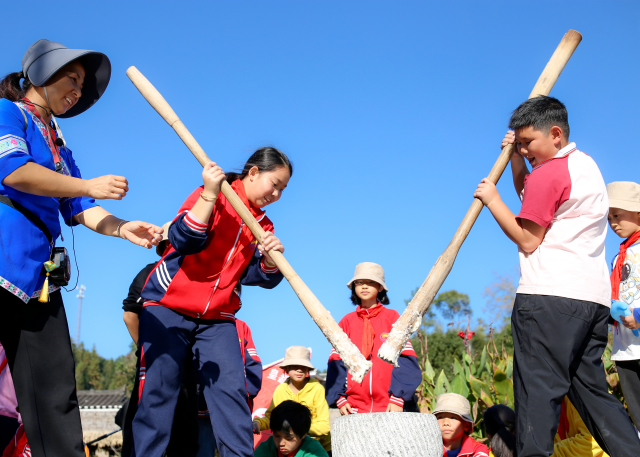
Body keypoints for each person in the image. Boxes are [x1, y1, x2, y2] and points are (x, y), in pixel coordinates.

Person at [0, 39, 162, 457]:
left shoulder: (57, 143)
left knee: (55, 389)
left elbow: (80, 207)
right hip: (1, 261)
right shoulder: (7, 112)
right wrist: (87, 185)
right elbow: (14, 171)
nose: (77, 91)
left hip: (38, 281)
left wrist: (123, 227)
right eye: (70, 79)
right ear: (38, 73)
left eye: (81, 86)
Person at [473, 95, 640, 456]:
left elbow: (528, 237)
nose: (524, 148)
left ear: (555, 134)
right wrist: (519, 161)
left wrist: (491, 199)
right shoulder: (585, 166)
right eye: (519, 143)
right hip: (589, 303)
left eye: (528, 142)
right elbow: (535, 198)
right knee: (593, 396)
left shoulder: (549, 173)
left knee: (537, 396)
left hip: (549, 299)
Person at [132, 147, 292, 457]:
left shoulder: (263, 225)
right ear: (254, 173)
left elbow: (255, 276)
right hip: (169, 305)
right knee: (159, 388)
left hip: (217, 316)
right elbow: (184, 239)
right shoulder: (215, 194)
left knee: (231, 391)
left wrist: (272, 261)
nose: (276, 193)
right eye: (275, 183)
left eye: (282, 190)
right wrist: (208, 194)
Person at [120, 221, 199, 457]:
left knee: (185, 429)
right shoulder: (149, 273)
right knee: (146, 420)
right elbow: (130, 315)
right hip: (153, 362)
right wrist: (145, 347)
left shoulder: (195, 277)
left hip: (188, 366)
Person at [325, 262, 422, 415]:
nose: (364, 287)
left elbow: (406, 358)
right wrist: (339, 398)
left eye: (371, 282)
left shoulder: (392, 318)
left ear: (380, 287)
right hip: (354, 408)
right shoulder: (347, 321)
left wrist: (398, 397)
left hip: (390, 407)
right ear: (354, 287)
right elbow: (336, 361)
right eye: (360, 283)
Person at [197, 286, 263, 457]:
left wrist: (244, 393)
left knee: (237, 451)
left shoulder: (241, 327)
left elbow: (253, 364)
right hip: (201, 411)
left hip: (234, 408)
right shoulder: (196, 323)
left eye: (235, 290)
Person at [253, 346, 331, 454]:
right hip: (290, 449)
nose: (299, 369)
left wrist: (297, 430)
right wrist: (258, 423)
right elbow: (271, 418)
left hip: (317, 449)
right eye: (295, 366)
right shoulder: (280, 390)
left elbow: (324, 427)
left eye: (303, 366)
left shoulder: (317, 389)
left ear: (308, 368)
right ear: (287, 368)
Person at [607, 181, 640, 428]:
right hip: (625, 349)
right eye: (609, 218)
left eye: (617, 215)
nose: (613, 223)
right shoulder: (618, 256)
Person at [254, 401, 328, 457]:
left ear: (303, 435)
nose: (281, 443)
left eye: (289, 438)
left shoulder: (314, 451)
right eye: (276, 436)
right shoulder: (267, 447)